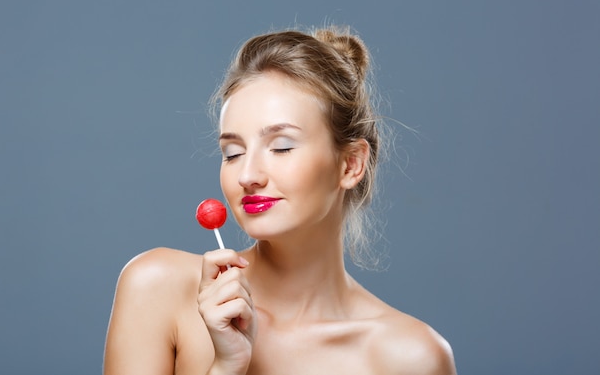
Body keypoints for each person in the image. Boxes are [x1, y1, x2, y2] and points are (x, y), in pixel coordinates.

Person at [103, 26, 457, 375]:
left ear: (350, 164)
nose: (247, 175)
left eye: (281, 146)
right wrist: (226, 367)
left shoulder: (410, 358)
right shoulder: (159, 288)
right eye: (232, 152)